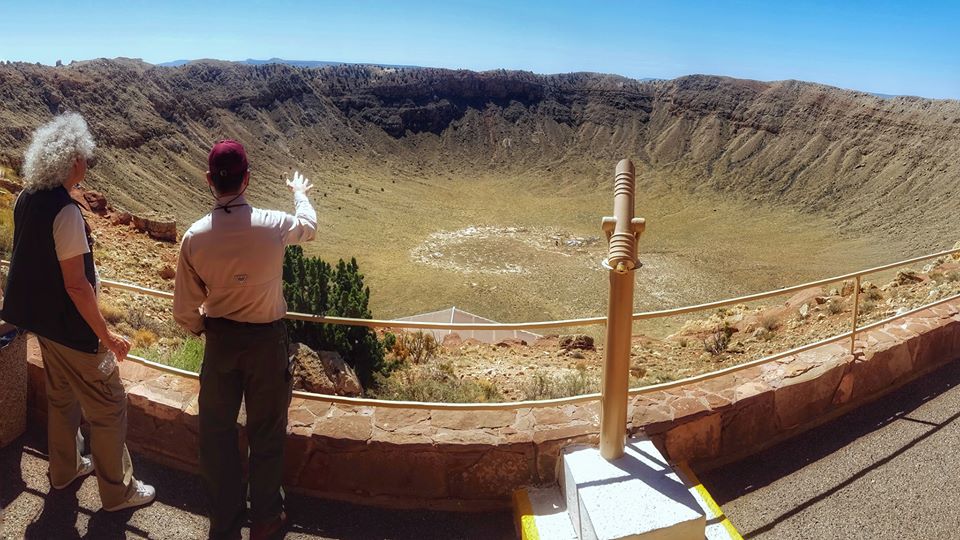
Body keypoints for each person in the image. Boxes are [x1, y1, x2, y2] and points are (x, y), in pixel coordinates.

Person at [1, 112, 155, 511]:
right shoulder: (65, 212)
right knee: (108, 407)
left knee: (62, 398)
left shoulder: (25, 198)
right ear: (71, 161)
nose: (87, 163)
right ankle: (117, 492)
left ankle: (64, 470)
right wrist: (106, 336)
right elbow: (76, 284)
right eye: (84, 157)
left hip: (43, 326)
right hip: (73, 331)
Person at [173, 140, 316, 540]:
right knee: (267, 431)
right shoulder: (273, 224)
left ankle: (225, 518)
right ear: (247, 178)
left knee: (216, 432)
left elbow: (185, 309)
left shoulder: (194, 237)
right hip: (267, 342)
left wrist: (207, 330)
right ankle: (266, 518)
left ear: (208, 181)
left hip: (220, 342)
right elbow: (310, 227)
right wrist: (300, 194)